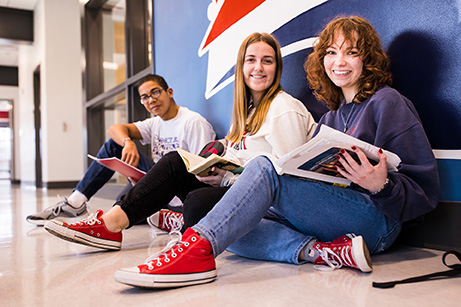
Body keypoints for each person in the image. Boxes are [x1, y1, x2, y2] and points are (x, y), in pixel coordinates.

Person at [112, 16, 440, 289]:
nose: (339, 62)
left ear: (367, 58)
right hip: (336, 221)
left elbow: (425, 193)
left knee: (264, 169)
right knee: (235, 220)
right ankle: (321, 252)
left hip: (379, 224)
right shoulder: (331, 117)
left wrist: (381, 185)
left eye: (351, 53)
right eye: (331, 52)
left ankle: (195, 253)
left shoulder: (387, 102)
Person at [43, 32, 317, 250]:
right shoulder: (246, 113)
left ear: (277, 67)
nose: (258, 67)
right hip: (232, 188)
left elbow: (286, 179)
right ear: (241, 67)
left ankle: (139, 224)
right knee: (175, 163)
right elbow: (239, 159)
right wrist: (218, 169)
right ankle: (111, 224)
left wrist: (230, 177)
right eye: (251, 60)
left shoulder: (283, 108)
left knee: (196, 204)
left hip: (262, 203)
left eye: (267, 60)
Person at [27, 74, 216, 226]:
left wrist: (157, 184)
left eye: (155, 93)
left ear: (169, 92)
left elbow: (203, 174)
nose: (151, 100)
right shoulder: (155, 123)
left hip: (181, 190)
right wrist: (128, 142)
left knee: (125, 206)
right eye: (145, 97)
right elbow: (114, 129)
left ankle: (168, 214)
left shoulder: (193, 122)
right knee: (115, 148)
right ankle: (76, 202)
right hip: (160, 181)